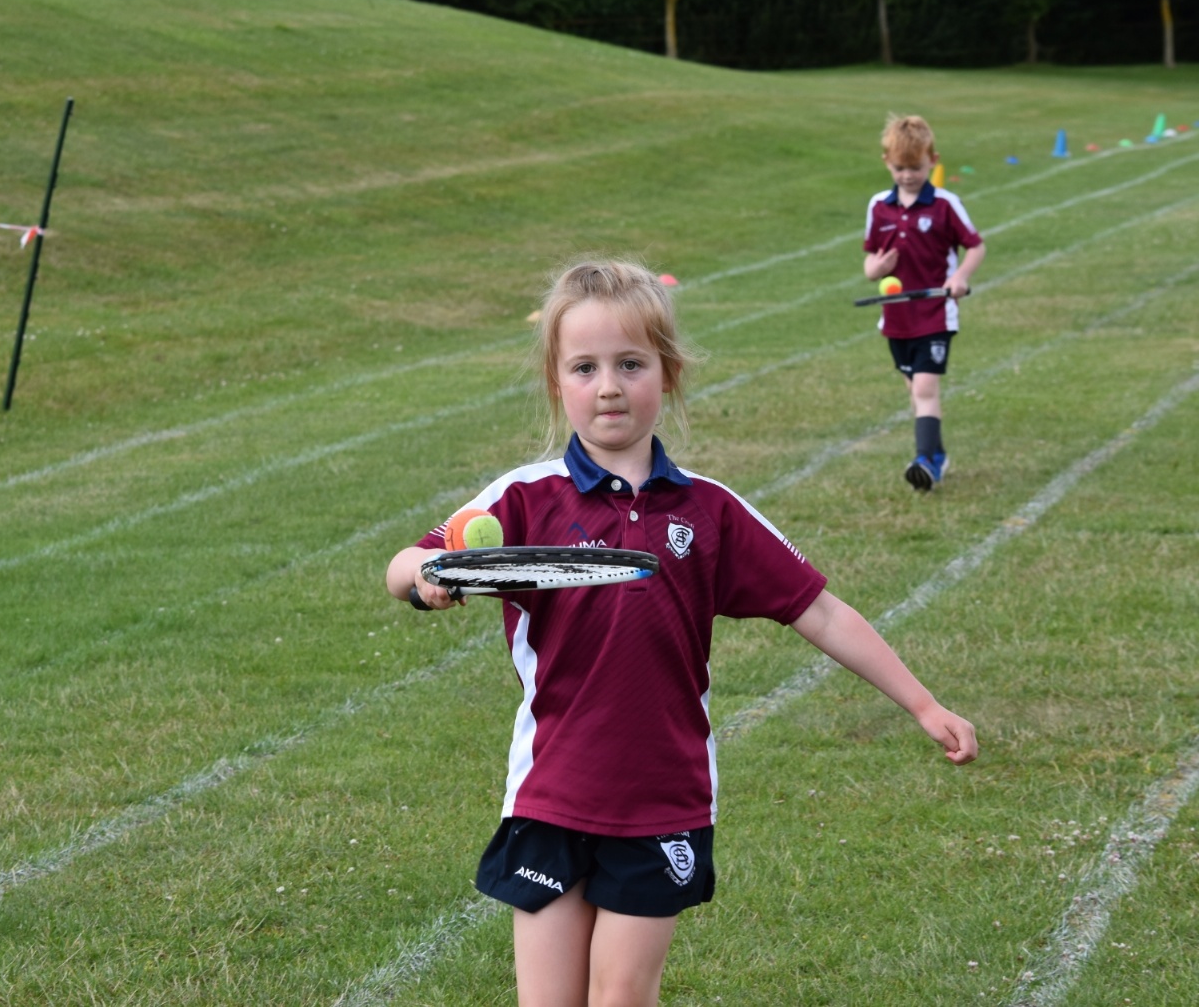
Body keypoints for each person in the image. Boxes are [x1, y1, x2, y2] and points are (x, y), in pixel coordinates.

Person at [385, 261, 978, 1007]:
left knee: (622, 996)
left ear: (667, 374)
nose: (608, 387)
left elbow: (821, 611)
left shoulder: (710, 511)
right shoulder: (525, 498)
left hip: (663, 800)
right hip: (550, 793)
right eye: (585, 367)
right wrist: (429, 577)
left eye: (630, 364)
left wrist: (923, 704)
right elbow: (404, 564)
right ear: (557, 383)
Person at [862, 114, 985, 491]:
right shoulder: (879, 206)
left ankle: (924, 462)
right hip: (896, 317)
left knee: (924, 390)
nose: (907, 176)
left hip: (935, 313)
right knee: (914, 390)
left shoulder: (945, 204)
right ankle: (938, 456)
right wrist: (876, 269)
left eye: (915, 168)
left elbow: (975, 246)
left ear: (932, 160)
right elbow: (869, 263)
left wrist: (959, 277)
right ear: (887, 162)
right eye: (900, 168)